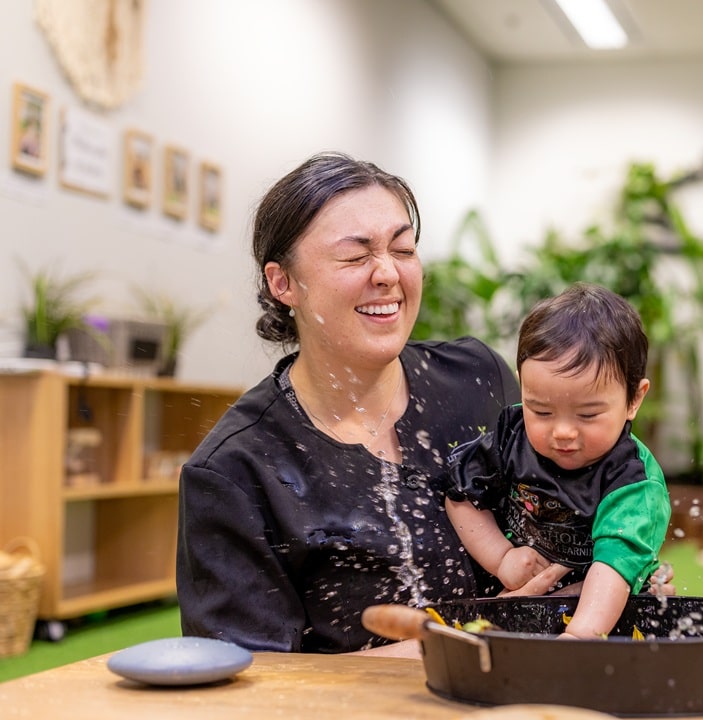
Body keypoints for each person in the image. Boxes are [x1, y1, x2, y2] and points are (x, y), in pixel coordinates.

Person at [176, 152, 569, 653]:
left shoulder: (479, 380)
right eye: (356, 256)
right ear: (283, 283)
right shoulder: (236, 472)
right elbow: (253, 689)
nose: (387, 273)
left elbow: (568, 510)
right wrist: (470, 640)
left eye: (403, 250)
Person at [445, 282, 671, 639]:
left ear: (633, 400)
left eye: (587, 415)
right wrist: (500, 557)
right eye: (542, 410)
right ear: (523, 390)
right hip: (524, 601)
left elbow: (612, 570)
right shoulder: (511, 435)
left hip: (606, 617)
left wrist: (577, 638)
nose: (563, 431)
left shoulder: (632, 481)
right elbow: (461, 495)